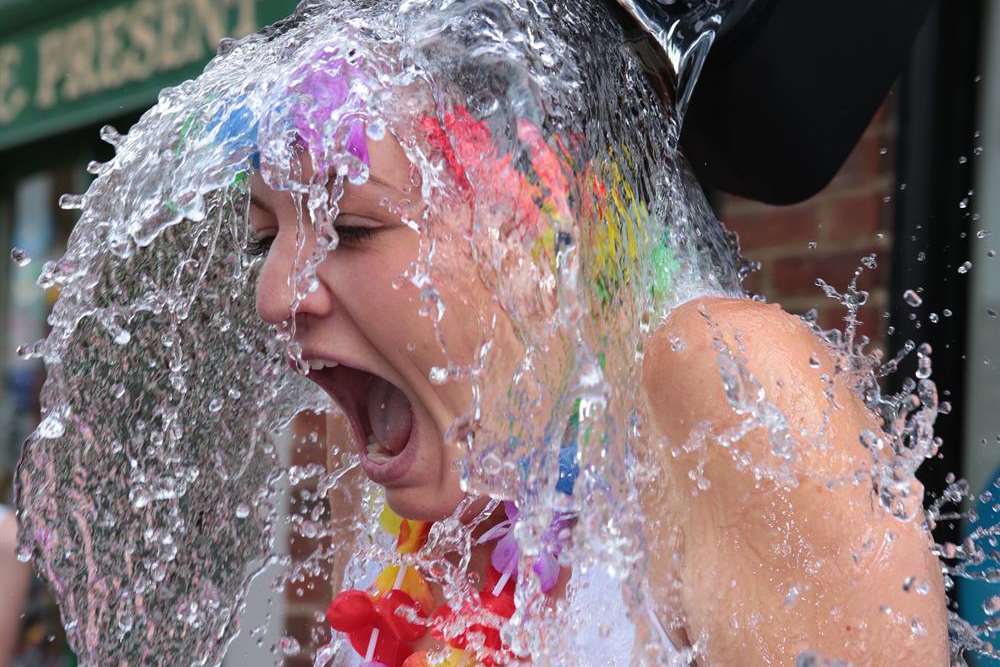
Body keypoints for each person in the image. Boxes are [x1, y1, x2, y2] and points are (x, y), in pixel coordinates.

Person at [243, 4, 949, 664]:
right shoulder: (390, 448)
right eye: (264, 238)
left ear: (536, 218)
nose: (274, 294)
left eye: (353, 229)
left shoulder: (726, 384)